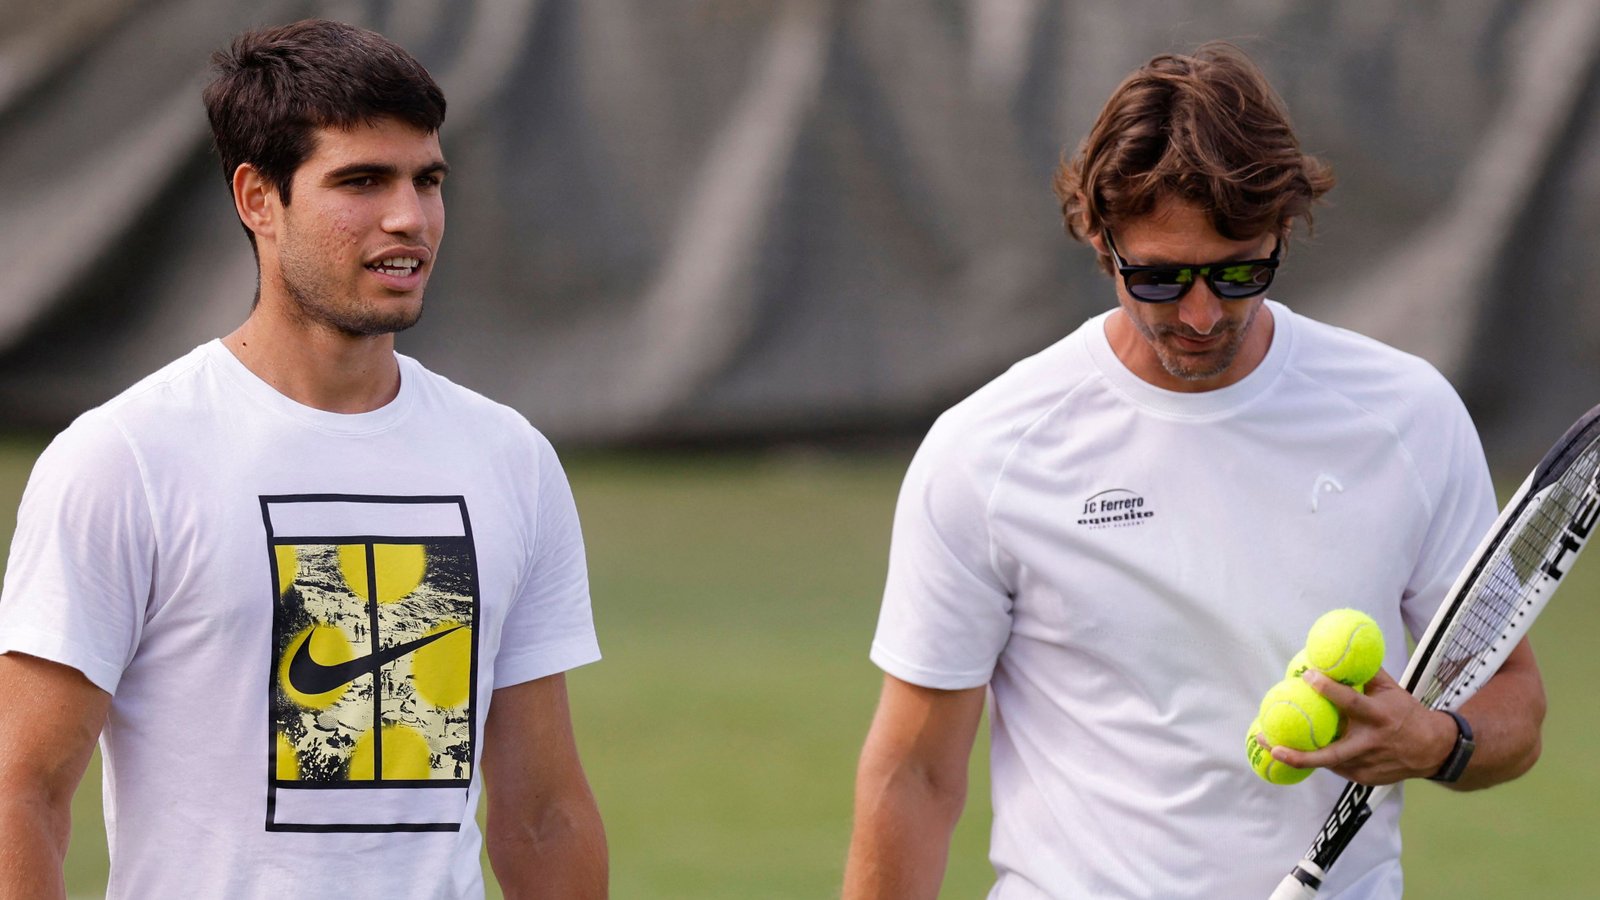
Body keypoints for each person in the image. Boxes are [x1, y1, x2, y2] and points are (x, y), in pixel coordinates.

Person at [843, 42, 1545, 899]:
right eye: (1161, 278)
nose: (1204, 314)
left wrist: (1437, 742)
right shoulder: (986, 450)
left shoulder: (1409, 416)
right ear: (1100, 238)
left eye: (1240, 270)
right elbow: (914, 775)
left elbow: (1514, 700)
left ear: (1283, 229)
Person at [0, 19, 606, 899]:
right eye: (361, 181)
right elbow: (21, 791)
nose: (409, 217)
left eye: (427, 179)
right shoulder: (126, 459)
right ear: (258, 199)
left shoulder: (509, 458)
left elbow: (542, 813)